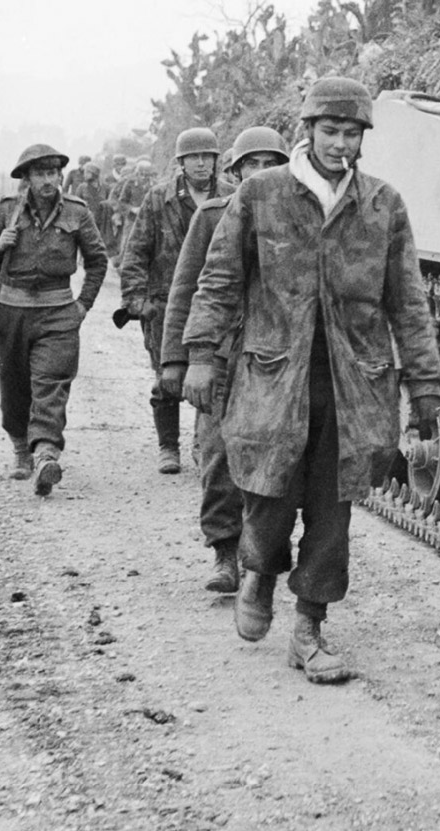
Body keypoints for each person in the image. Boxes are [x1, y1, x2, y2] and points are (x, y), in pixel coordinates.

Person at [181, 78, 440, 683]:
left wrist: (425, 385)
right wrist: (198, 354)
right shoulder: (261, 195)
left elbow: (408, 302)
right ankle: (259, 571)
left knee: (333, 510)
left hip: (353, 387)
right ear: (309, 132)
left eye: (352, 134)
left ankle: (309, 629)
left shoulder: (382, 205)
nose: (341, 145)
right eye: (331, 132)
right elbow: (218, 280)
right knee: (267, 497)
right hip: (273, 379)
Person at [160, 127, 289, 593]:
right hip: (224, 354)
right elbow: (186, 287)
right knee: (217, 456)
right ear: (234, 173)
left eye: (269, 163)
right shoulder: (214, 215)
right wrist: (178, 359)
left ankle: (263, 552)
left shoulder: (301, 217)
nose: (260, 173)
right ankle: (224, 552)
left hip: (278, 358)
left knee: (275, 458)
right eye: (251, 165)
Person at [0, 144, 109, 496]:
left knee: (51, 385)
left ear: (60, 176)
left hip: (58, 312)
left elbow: (97, 260)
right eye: (40, 174)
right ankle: (21, 448)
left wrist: (83, 305)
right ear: (27, 179)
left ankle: (46, 453)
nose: (48, 180)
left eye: (53, 173)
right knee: (14, 386)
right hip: (11, 311)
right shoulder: (7, 209)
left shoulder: (78, 212)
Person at [118, 129, 222, 475]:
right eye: (194, 156)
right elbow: (135, 252)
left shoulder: (232, 198)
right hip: (166, 302)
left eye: (208, 155)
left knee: (214, 373)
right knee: (168, 378)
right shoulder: (158, 199)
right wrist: (137, 300)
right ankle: (168, 445)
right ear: (181, 162)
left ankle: (202, 442)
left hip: (215, 300)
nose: (202, 162)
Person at [110, 158, 156, 264]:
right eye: (142, 174)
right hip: (132, 219)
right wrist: (132, 209)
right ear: (138, 173)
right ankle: (122, 264)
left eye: (147, 175)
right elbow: (121, 202)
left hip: (148, 220)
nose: (144, 177)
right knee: (127, 242)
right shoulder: (130, 183)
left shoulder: (154, 184)